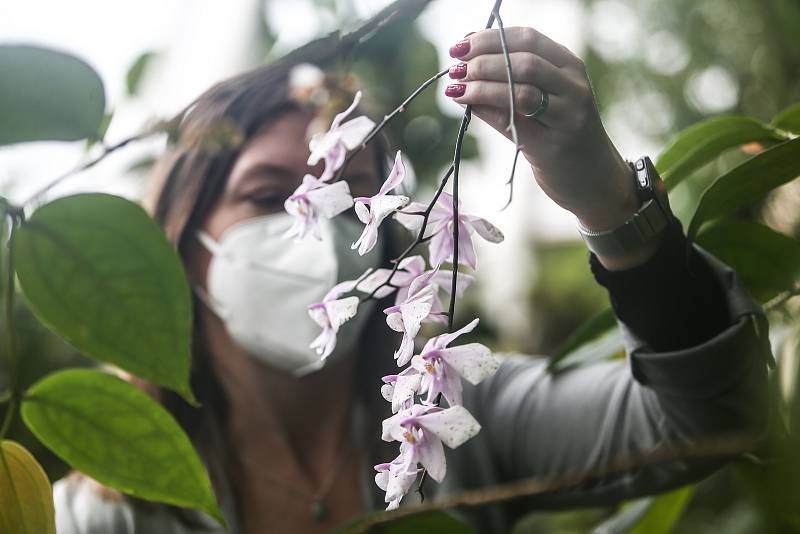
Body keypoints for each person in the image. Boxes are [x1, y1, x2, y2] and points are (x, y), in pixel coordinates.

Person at [52, 26, 774, 534]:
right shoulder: (107, 515)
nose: (321, 236)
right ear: (182, 242)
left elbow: (716, 419)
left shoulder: (460, 413)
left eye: (357, 198)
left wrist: (609, 204)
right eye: (273, 197)